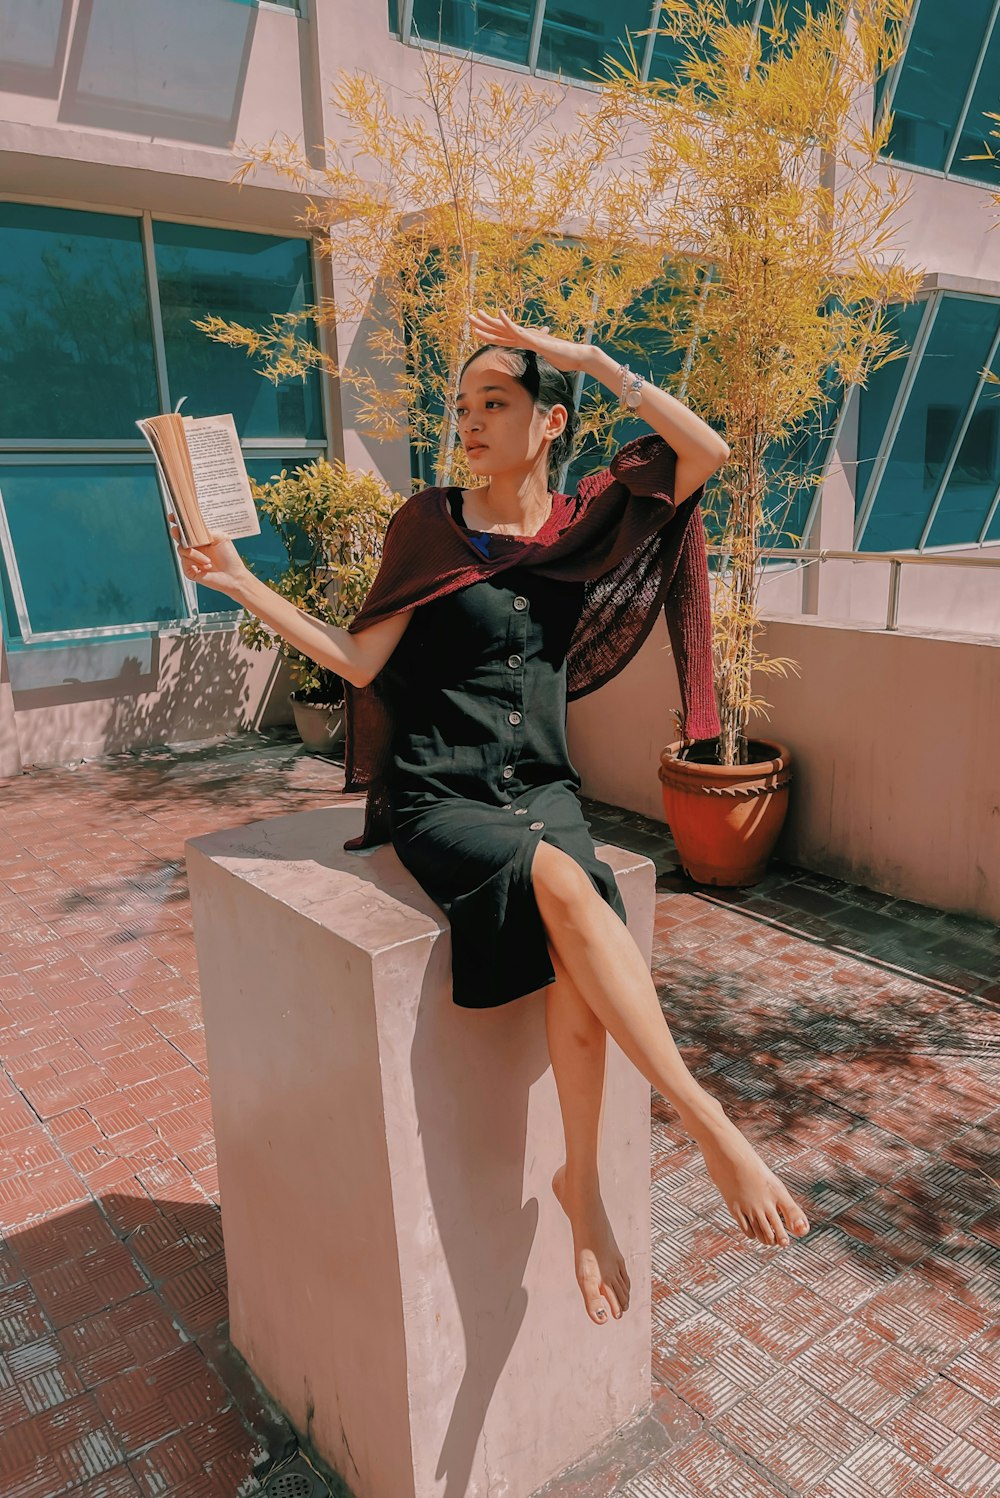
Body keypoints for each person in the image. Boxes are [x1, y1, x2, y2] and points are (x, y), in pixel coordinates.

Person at [169, 308, 810, 1330]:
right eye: (461, 405)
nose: (467, 421)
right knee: (567, 881)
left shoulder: (583, 522)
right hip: (439, 791)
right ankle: (705, 1119)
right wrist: (238, 580)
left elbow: (707, 451)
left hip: (538, 785)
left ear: (547, 421)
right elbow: (359, 662)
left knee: (581, 933)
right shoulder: (426, 522)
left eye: (494, 403)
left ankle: (581, 1185)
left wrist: (586, 359)